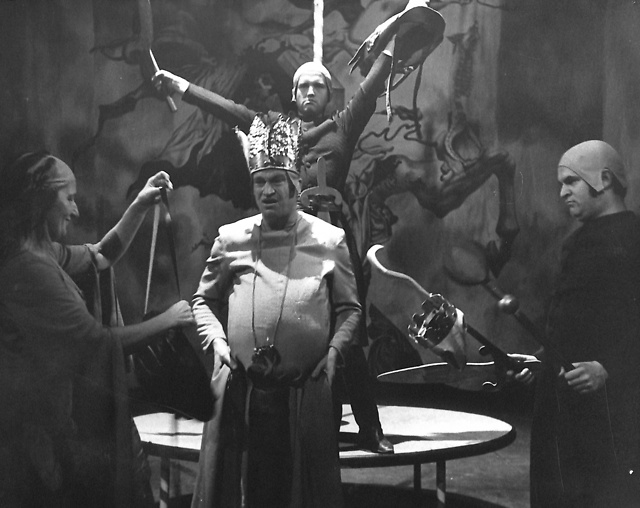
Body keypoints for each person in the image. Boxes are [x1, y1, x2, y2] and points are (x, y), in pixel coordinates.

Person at [154, 0, 445, 454]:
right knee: (294, 329)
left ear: (330, 94)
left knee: (347, 333)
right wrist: (182, 86)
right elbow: (231, 110)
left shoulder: (341, 128)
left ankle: (369, 428)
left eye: (318, 85)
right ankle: (301, 425)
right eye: (302, 85)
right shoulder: (275, 129)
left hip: (329, 241)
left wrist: (401, 28)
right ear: (293, 95)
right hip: (281, 244)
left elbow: (372, 85)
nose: (310, 91)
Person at [0, 151, 196, 507]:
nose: (75, 211)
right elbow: (95, 344)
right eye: (69, 198)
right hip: (40, 436)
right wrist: (169, 319)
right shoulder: (29, 269)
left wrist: (140, 203)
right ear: (43, 200)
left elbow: (101, 255)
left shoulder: (45, 253)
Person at [190, 113, 361, 507]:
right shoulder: (231, 239)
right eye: (259, 182)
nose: (267, 191)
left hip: (304, 397)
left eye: (276, 181)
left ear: (295, 184)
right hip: (241, 394)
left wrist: (335, 350)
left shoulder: (329, 239)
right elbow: (203, 301)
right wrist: (216, 342)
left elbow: (350, 308)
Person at [516, 140, 640, 507]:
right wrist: (541, 359)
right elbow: (571, 322)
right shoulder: (575, 242)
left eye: (571, 181)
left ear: (604, 179)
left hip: (610, 411)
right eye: (561, 184)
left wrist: (608, 368)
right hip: (561, 406)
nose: (562, 193)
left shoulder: (634, 240)